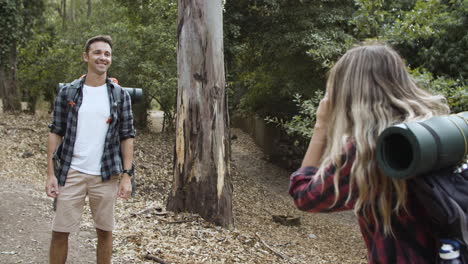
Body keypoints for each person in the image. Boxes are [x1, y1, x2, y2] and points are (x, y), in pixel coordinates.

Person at [289, 43, 450, 264]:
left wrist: (321, 127)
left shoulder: (370, 149)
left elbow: (304, 196)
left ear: (348, 94)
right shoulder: (437, 131)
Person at [45, 35, 135, 264]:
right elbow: (55, 131)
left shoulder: (119, 95)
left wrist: (127, 175)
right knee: (60, 232)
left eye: (107, 54)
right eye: (97, 52)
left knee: (105, 232)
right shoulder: (68, 92)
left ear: (111, 59)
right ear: (86, 56)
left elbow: (127, 136)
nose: (102, 57)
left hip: (105, 174)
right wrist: (50, 174)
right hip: (70, 171)